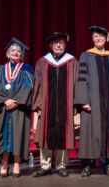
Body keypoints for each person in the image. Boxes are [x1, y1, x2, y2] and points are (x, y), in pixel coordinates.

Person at [32, 32, 78, 177]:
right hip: (46, 105)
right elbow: (37, 84)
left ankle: (61, 165)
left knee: (64, 133)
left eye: (61, 43)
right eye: (56, 43)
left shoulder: (72, 62)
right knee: (46, 132)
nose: (58, 45)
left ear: (65, 45)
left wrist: (76, 104)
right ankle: (45, 165)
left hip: (66, 104)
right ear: (51, 45)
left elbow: (77, 84)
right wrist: (38, 104)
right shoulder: (42, 62)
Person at [0, 37, 34, 178]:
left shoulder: (26, 68)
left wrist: (17, 101)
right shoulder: (0, 69)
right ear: (7, 54)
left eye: (18, 51)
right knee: (4, 136)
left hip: (19, 108)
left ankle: (17, 164)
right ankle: (5, 164)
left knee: (17, 136)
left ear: (21, 54)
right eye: (12, 50)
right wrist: (5, 100)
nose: (15, 52)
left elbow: (28, 87)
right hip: (3, 108)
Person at [75, 26, 109, 177]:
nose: (98, 38)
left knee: (108, 132)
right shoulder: (86, 55)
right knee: (88, 132)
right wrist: (83, 100)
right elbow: (81, 79)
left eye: (101, 36)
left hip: (108, 102)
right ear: (92, 39)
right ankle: (87, 164)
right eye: (95, 36)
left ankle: (107, 164)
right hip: (91, 102)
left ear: (106, 38)